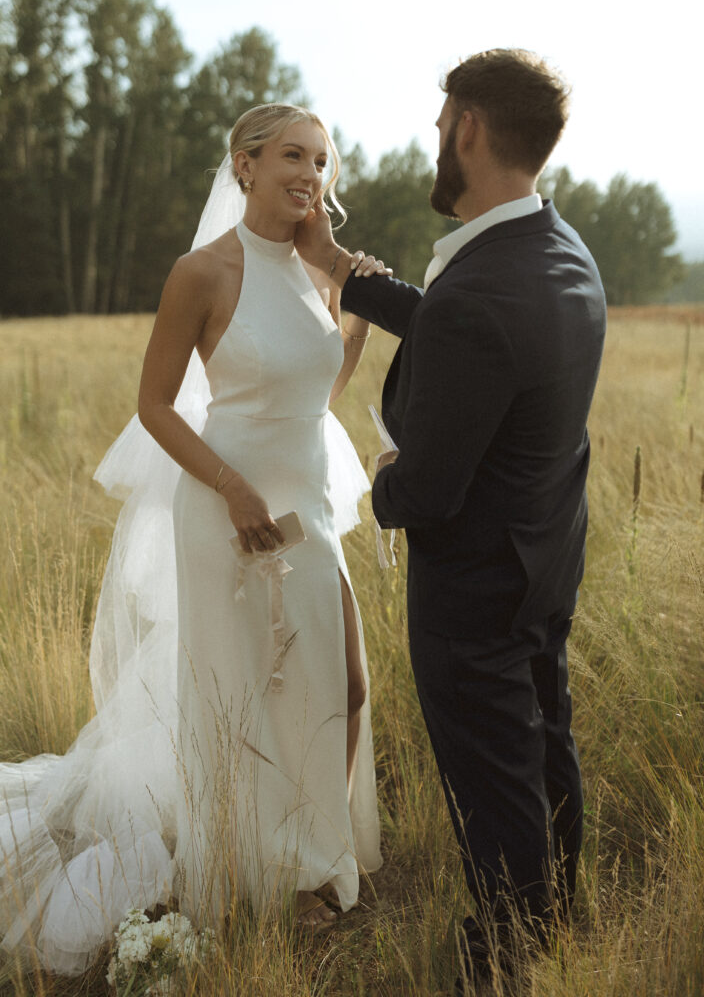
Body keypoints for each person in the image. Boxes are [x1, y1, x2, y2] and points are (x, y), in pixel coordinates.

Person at [0, 103, 382, 976]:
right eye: (292, 155)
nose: (309, 175)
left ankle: (313, 856)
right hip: (227, 505)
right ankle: (263, 878)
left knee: (344, 686)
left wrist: (350, 302)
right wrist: (231, 486)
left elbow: (319, 395)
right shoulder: (202, 272)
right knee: (239, 697)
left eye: (321, 161)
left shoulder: (323, 270)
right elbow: (155, 407)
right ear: (243, 165)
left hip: (307, 505)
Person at [295, 49, 606, 985]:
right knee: (543, 740)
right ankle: (561, 918)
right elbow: (465, 331)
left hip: (471, 588)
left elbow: (424, 492)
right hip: (542, 558)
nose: (435, 143)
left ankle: (510, 949)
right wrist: (349, 276)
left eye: (439, 127)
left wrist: (381, 478)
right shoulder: (553, 247)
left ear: (467, 126)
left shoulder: (482, 290)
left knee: (492, 779)